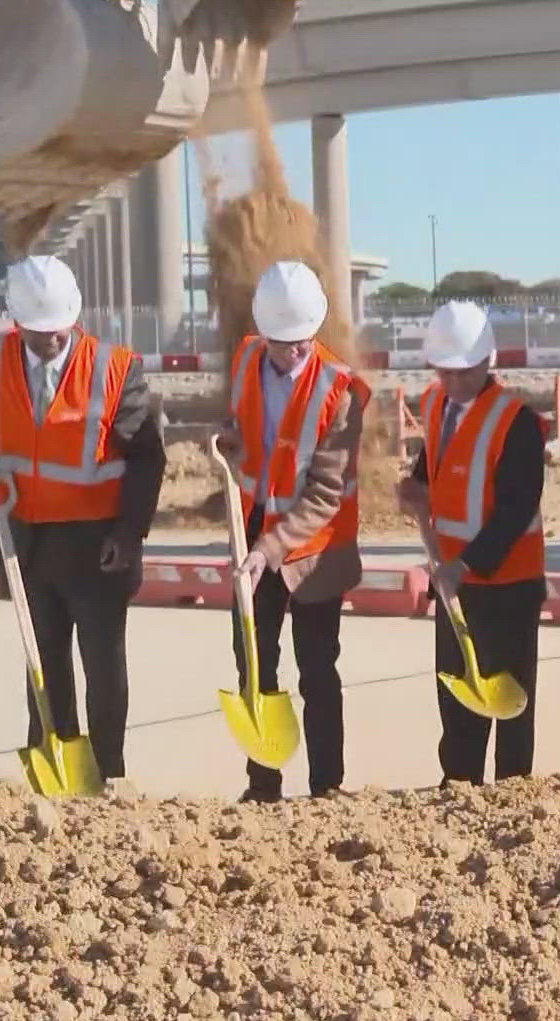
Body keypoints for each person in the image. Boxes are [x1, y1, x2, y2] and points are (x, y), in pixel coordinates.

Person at [0, 254, 164, 796]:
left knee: (103, 667)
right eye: (39, 335)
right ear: (17, 324)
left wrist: (129, 534)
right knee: (43, 664)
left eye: (60, 331)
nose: (52, 342)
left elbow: (147, 457)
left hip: (97, 542)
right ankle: (54, 774)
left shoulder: (114, 368)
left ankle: (108, 774)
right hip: (24, 542)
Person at [217, 261, 369, 803]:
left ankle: (328, 786)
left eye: (304, 342)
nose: (296, 353)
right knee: (253, 661)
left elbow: (326, 494)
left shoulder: (342, 390)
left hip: (315, 548)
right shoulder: (245, 360)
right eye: (284, 345)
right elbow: (246, 423)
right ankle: (263, 786)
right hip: (255, 525)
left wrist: (270, 547)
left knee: (317, 667)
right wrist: (230, 439)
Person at [398, 301, 546, 781]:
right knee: (458, 687)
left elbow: (516, 508)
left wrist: (467, 565)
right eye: (447, 372)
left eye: (466, 372)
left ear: (487, 362)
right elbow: (440, 461)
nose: (456, 382)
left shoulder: (516, 421)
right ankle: (459, 783)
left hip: (509, 582)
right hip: (452, 578)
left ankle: (512, 787)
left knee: (510, 696)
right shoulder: (434, 404)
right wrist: (416, 485)